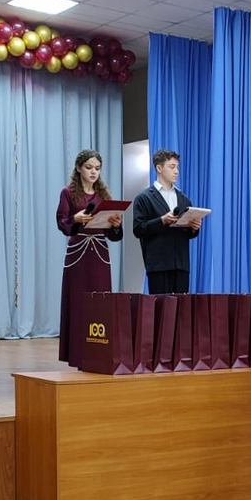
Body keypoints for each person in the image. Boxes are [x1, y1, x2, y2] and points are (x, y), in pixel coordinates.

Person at [56, 149, 122, 364]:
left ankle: (99, 352)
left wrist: (116, 225)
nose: (94, 172)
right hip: (78, 253)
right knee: (78, 301)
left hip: (100, 253)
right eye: (89, 167)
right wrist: (75, 219)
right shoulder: (68, 193)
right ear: (79, 168)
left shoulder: (104, 196)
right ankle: (77, 353)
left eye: (97, 168)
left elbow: (114, 235)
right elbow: (62, 224)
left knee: (100, 301)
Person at [132, 149, 201, 294]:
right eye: (172, 167)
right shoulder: (144, 198)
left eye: (177, 167)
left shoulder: (184, 199)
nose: (176, 171)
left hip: (181, 265)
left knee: (182, 306)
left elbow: (188, 233)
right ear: (159, 168)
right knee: (161, 306)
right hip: (158, 266)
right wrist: (161, 221)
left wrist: (194, 228)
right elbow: (138, 229)